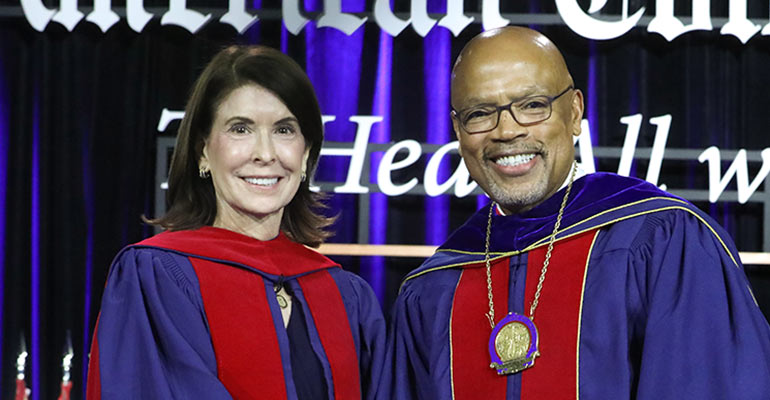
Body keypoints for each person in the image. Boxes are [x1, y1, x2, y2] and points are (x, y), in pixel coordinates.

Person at [381, 27, 770, 399]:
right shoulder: (433, 289)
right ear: (457, 129)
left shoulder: (659, 240)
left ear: (574, 112)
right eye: (480, 113)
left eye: (532, 106)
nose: (507, 131)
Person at [86, 45, 386, 399]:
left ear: (306, 154)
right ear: (202, 151)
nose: (265, 153)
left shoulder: (346, 296)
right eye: (241, 129)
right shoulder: (157, 277)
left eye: (284, 130)